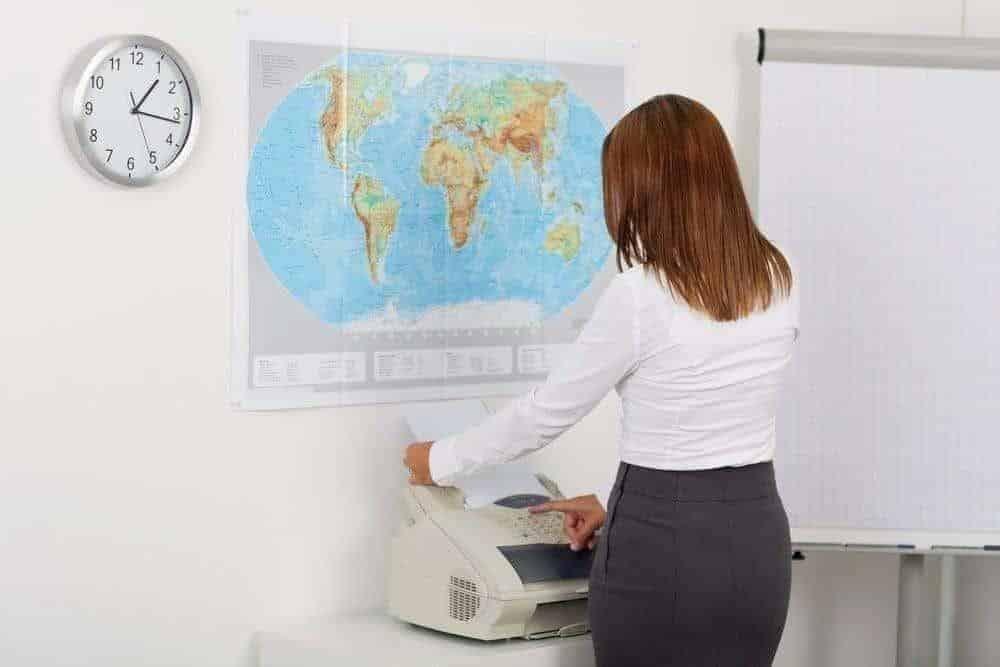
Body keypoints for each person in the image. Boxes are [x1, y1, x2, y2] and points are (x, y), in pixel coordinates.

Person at [403, 94, 799, 667]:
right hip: (755, 541)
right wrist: (623, 508)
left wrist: (435, 461)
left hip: (662, 555)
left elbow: (544, 415)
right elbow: (709, 440)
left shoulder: (643, 293)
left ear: (644, 187)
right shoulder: (775, 275)